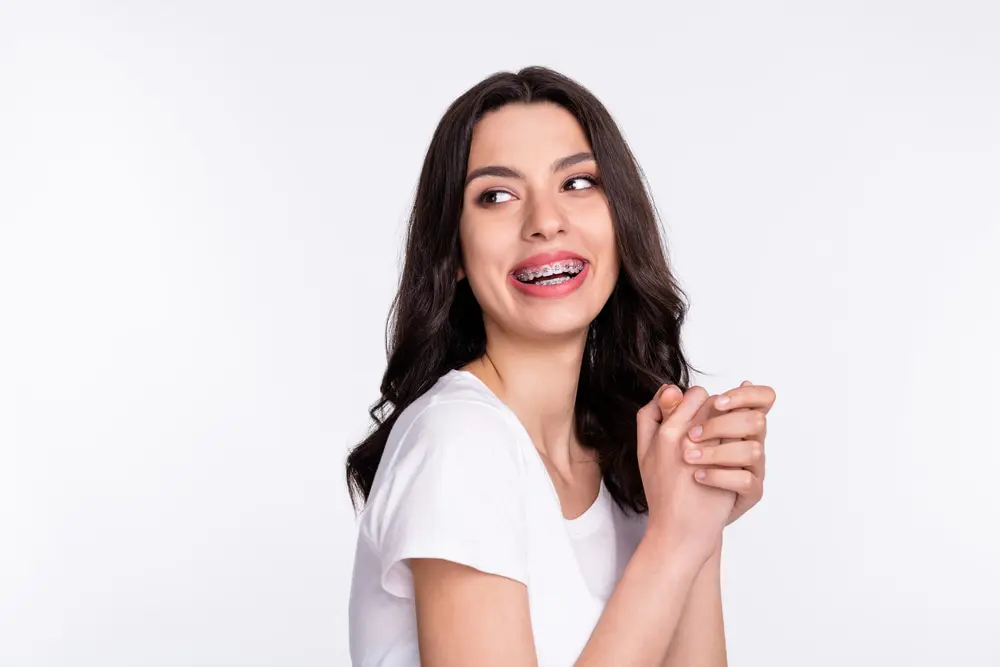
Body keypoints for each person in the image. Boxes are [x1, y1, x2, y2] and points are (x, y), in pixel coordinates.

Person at [345, 66, 777, 667]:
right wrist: (673, 544)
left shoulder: (630, 464)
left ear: (620, 221)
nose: (545, 220)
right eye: (497, 195)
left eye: (578, 183)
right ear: (456, 253)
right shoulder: (458, 442)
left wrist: (697, 521)